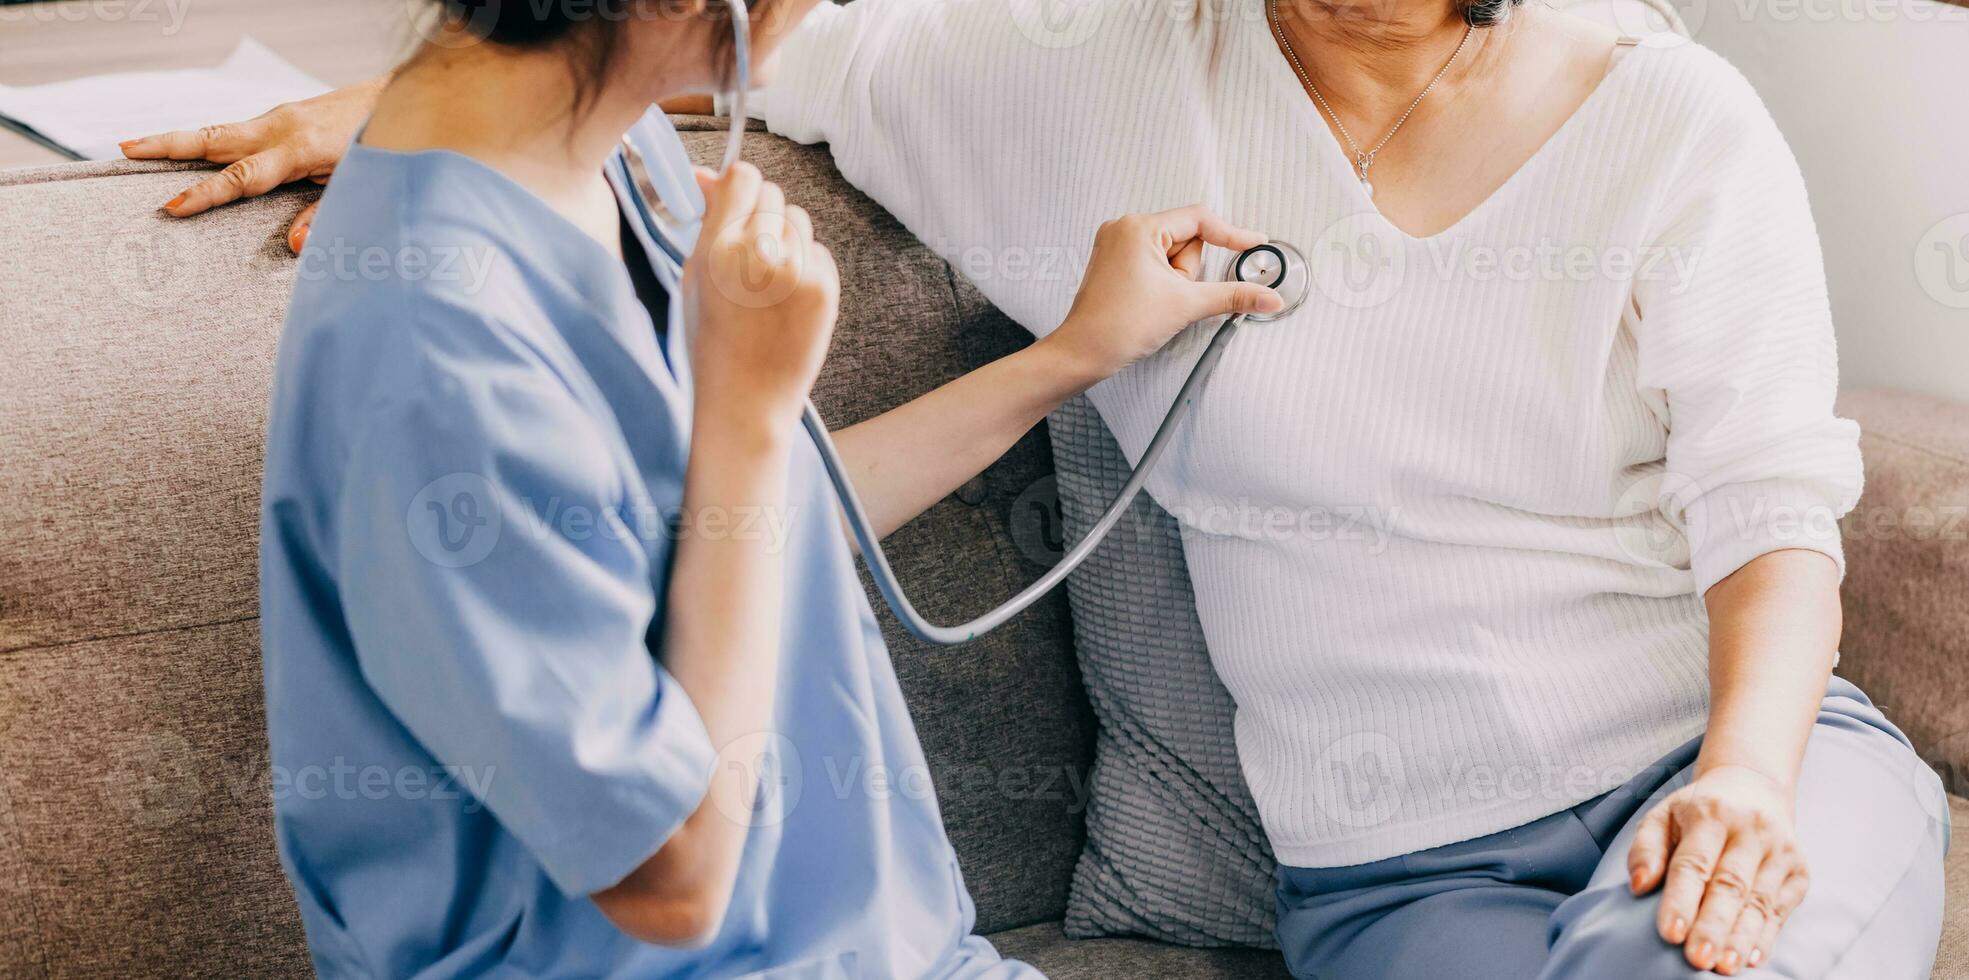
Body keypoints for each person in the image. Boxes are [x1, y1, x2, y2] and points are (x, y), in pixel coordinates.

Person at [130, 0, 1950, 975]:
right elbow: (747, 43)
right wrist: (416, 103)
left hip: (1708, 758)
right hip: (1386, 880)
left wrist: (1742, 777)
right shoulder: (1087, 71)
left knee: (1700, 956)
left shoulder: (1670, 116)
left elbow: (1769, 503)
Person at [224, 0, 1286, 975]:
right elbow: (667, 876)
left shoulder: (609, 146)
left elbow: (738, 536)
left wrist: (1072, 354)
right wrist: (744, 402)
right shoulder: (436, 354)